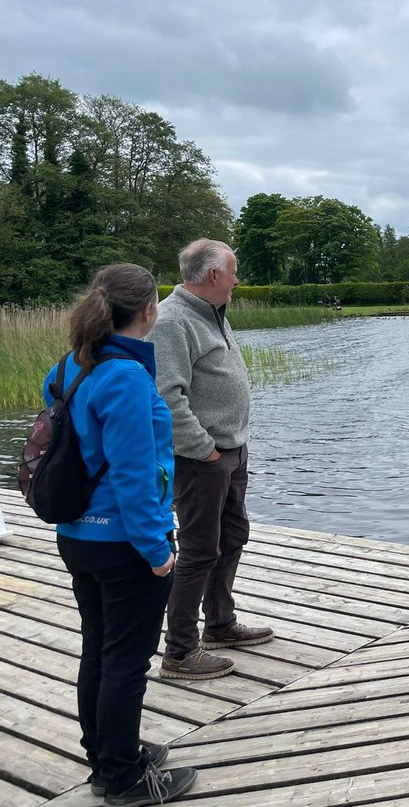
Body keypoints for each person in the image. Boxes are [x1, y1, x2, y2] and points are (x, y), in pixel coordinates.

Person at [50, 263, 197, 805]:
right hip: (125, 542)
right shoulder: (128, 379)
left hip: (77, 536)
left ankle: (106, 754)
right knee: (127, 663)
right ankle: (124, 778)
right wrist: (158, 551)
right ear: (150, 310)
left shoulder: (70, 368)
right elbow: (136, 477)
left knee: (100, 651)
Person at [149, 239, 273, 681]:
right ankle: (180, 651)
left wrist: (232, 448)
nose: (238, 280)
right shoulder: (172, 321)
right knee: (199, 550)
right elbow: (166, 397)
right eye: (234, 272)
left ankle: (219, 623)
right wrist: (204, 449)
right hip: (203, 458)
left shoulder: (214, 314)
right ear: (215, 275)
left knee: (233, 535)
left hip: (231, 452)